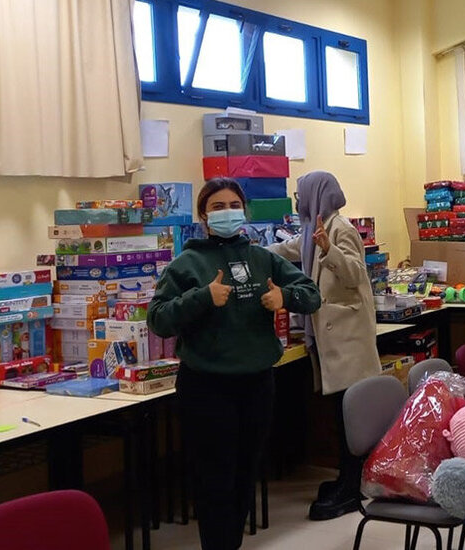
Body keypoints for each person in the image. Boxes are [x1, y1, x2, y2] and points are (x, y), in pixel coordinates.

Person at [147, 179, 321, 550]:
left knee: (245, 475)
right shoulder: (187, 263)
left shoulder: (263, 258)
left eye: (233, 205)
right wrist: (202, 297)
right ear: (204, 216)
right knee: (215, 481)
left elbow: (311, 294)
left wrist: (283, 296)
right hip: (207, 387)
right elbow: (159, 319)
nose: (227, 212)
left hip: (257, 383)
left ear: (244, 211)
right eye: (217, 206)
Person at [265, 171, 382, 520]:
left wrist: (329, 251)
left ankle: (351, 486)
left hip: (347, 339)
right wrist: (250, 251)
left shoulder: (339, 229)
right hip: (331, 340)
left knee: (349, 419)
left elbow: (354, 274)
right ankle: (345, 479)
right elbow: (286, 250)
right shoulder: (312, 230)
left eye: (301, 194)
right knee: (337, 415)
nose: (298, 201)